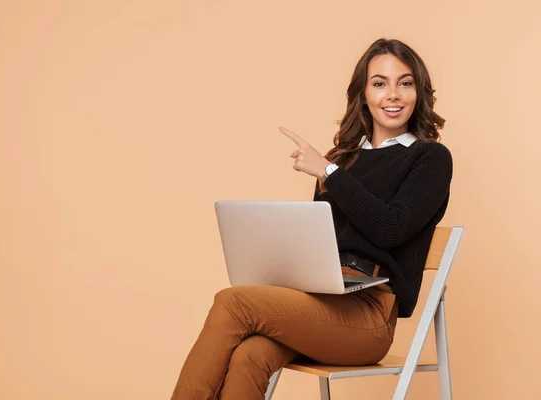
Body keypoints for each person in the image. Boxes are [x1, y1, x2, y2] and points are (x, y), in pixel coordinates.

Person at [171, 38, 453, 400]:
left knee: (234, 302)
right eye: (380, 83)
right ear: (363, 93)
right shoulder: (344, 159)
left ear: (419, 91)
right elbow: (319, 244)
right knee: (250, 355)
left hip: (368, 318)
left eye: (405, 82)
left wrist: (330, 173)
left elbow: (390, 228)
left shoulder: (429, 158)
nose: (393, 94)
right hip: (320, 302)